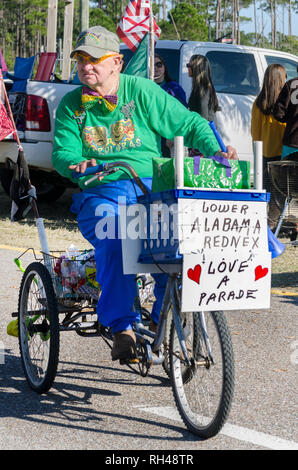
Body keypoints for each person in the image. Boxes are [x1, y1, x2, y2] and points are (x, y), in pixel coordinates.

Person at [52, 26, 237, 363]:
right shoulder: (70, 105)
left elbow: (190, 123)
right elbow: (62, 154)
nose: (85, 66)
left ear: (117, 63)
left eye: (94, 59)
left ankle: (168, 315)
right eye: (80, 60)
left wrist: (216, 150)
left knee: (181, 244)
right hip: (102, 193)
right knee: (117, 237)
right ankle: (122, 327)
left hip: (152, 189)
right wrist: (77, 164)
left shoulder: (142, 90)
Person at [251, 64, 287, 229]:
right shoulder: (285, 104)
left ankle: (264, 223)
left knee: (266, 191)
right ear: (281, 80)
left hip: (265, 154)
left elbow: (255, 133)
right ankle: (273, 225)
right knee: (280, 194)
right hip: (282, 154)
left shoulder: (258, 103)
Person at [154, 54, 187, 157]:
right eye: (152, 65)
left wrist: (173, 135)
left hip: (169, 139)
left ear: (164, 67)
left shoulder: (174, 88)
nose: (156, 68)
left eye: (159, 64)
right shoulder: (145, 88)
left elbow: (182, 114)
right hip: (152, 139)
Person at [273, 70, 298, 161]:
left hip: (292, 141)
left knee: (287, 174)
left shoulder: (290, 84)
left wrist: (291, 120)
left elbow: (278, 113)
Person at [187, 54, 220, 123]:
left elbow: (203, 117)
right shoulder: (201, 87)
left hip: (204, 131)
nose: (187, 68)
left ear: (195, 68)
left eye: (188, 65)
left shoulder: (203, 89)